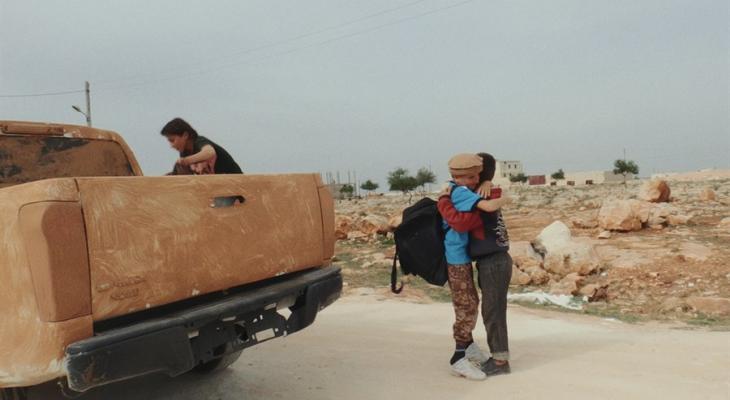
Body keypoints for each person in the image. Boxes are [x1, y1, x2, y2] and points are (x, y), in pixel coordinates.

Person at [439, 153, 513, 377]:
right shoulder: (470, 193)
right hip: (480, 260)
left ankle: (499, 361)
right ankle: (467, 350)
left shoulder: (483, 194)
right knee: (475, 306)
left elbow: (468, 219)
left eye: (476, 175)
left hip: (493, 260)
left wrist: (498, 193)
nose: (472, 180)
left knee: (489, 310)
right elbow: (461, 221)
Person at [160, 117, 242, 175]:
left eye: (172, 140)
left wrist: (186, 161)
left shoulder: (199, 141)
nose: (171, 145)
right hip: (218, 189)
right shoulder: (184, 152)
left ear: (185, 135)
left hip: (236, 189)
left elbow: (210, 152)